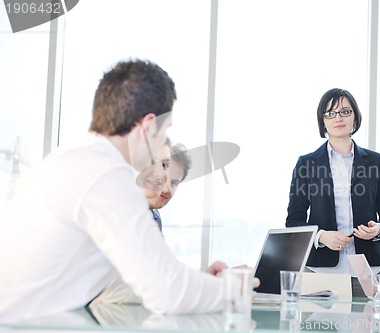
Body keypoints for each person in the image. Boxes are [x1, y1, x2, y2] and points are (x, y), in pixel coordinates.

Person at [0, 59, 243, 321]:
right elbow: (167, 293)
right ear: (149, 125)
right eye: (165, 131)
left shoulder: (77, 158)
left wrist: (199, 283)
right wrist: (235, 289)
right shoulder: (105, 174)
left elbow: (139, 279)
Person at [285, 88, 380, 295]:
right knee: (320, 326)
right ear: (323, 121)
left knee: (365, 324)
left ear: (355, 117)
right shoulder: (306, 164)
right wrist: (321, 237)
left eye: (345, 111)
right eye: (330, 113)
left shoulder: (377, 162)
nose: (338, 118)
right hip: (320, 270)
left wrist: (379, 229)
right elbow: (294, 221)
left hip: (368, 269)